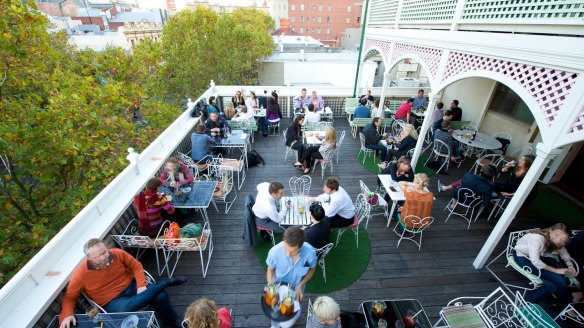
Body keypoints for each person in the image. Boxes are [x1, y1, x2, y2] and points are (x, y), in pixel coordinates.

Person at [58, 238, 186, 328]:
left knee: (161, 296)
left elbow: (136, 265)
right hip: (112, 301)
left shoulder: (116, 253)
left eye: (104, 252)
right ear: (89, 258)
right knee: (126, 308)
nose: (104, 257)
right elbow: (70, 297)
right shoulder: (80, 274)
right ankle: (165, 283)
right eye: (98, 256)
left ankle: (172, 321)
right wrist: (67, 315)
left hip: (131, 286)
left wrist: (141, 285)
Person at [513, 223, 577, 308]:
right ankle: (565, 305)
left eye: (563, 239)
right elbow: (535, 261)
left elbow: (563, 251)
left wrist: (570, 265)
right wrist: (556, 271)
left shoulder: (554, 240)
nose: (558, 240)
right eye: (557, 235)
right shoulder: (537, 239)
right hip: (523, 257)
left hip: (535, 258)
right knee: (560, 280)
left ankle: (524, 306)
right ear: (550, 230)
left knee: (551, 287)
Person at [266, 227, 317, 328]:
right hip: (278, 285)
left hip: (297, 287)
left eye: (292, 252)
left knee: (290, 310)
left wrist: (301, 285)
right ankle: (275, 325)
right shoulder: (275, 251)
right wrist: (271, 285)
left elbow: (312, 269)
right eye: (286, 249)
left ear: (301, 247)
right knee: (275, 310)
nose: (287, 254)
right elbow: (270, 270)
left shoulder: (310, 253)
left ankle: (290, 320)